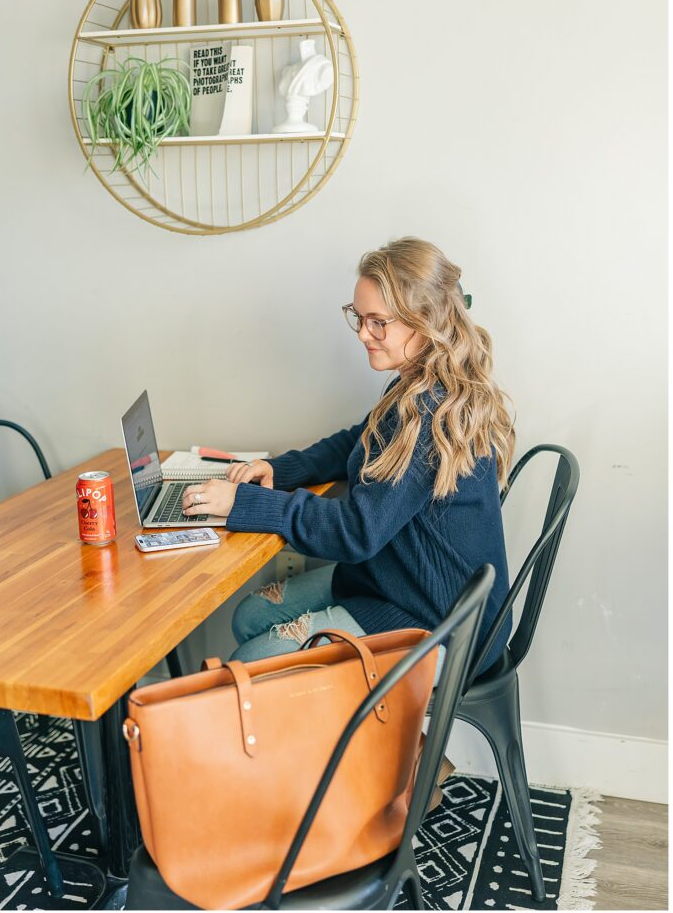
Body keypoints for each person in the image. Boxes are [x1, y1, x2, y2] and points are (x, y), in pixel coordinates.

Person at [182, 236, 515, 689]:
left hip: (443, 625)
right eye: (359, 318)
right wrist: (282, 471)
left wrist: (242, 503)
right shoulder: (414, 383)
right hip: (399, 582)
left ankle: (344, 751)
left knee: (251, 660)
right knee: (251, 615)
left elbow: (356, 531)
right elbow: (355, 442)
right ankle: (343, 737)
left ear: (427, 321)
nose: (363, 334)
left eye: (379, 322)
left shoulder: (429, 412)